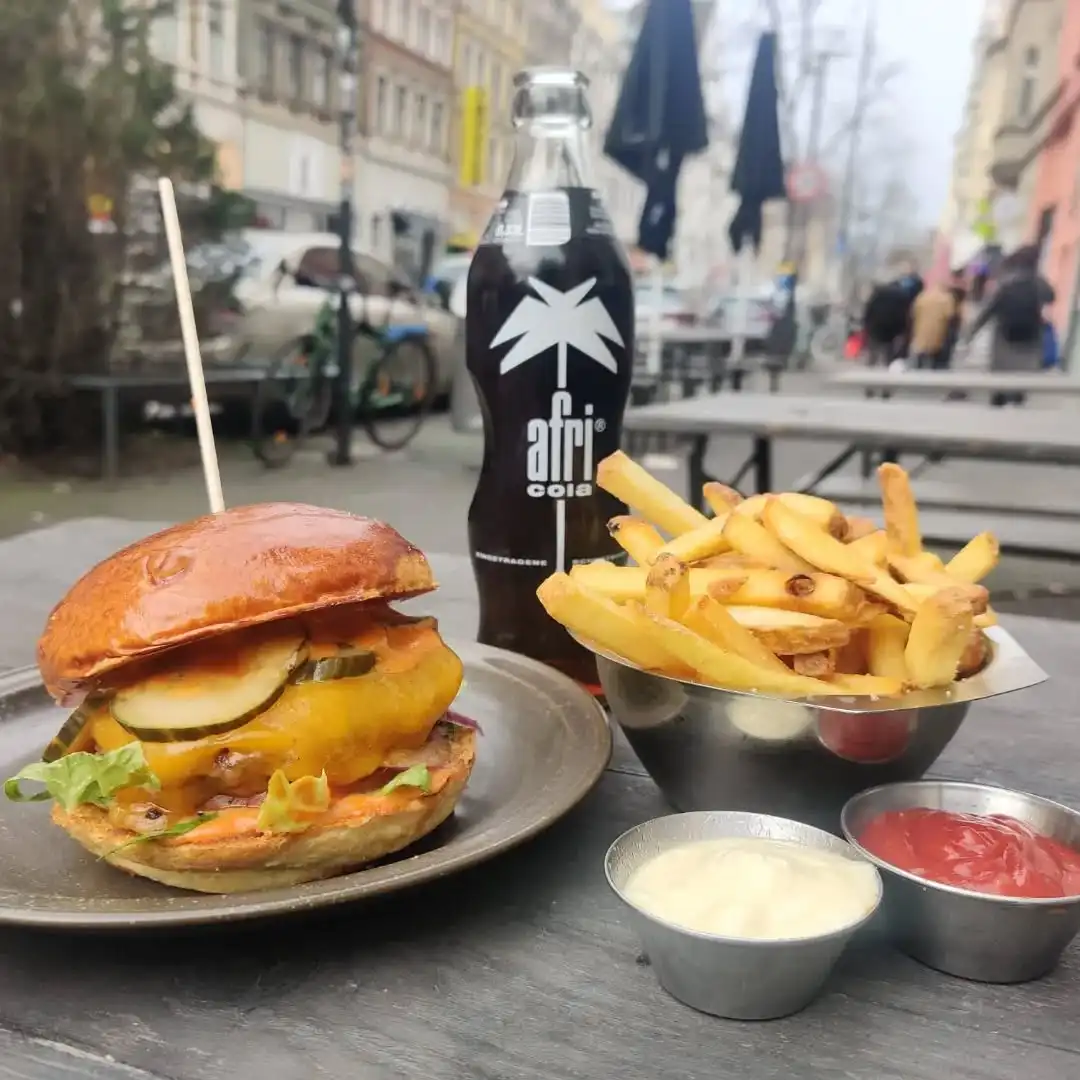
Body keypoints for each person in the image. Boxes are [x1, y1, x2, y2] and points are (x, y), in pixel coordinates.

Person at [963, 244, 1054, 405]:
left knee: (1000, 380)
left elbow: (988, 310)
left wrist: (971, 334)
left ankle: (997, 403)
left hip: (1004, 339)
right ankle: (1017, 403)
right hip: (1030, 339)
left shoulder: (1004, 281)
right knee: (1021, 381)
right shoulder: (1037, 281)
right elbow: (1051, 297)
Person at [862, 270, 924, 367]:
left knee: (875, 347)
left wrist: (867, 324)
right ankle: (888, 365)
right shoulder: (902, 295)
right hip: (894, 327)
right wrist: (903, 328)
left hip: (876, 326)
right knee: (889, 349)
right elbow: (906, 313)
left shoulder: (877, 294)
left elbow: (869, 310)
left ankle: (871, 364)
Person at [910, 278, 958, 369]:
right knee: (937, 366)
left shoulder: (922, 297)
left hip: (921, 337)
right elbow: (950, 317)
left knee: (919, 364)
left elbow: (913, 315)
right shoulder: (947, 299)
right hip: (938, 337)